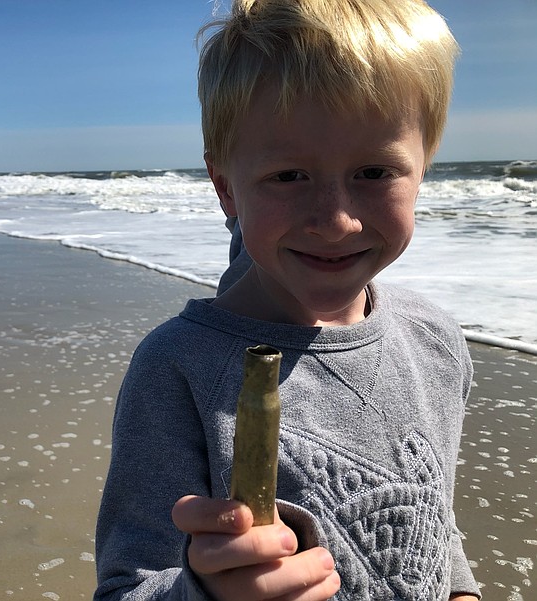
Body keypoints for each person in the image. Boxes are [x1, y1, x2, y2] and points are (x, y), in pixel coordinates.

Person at [95, 0, 480, 599]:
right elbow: (128, 586)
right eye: (288, 176)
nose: (335, 221)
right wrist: (210, 591)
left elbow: (434, 518)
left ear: (424, 168)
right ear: (226, 187)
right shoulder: (178, 371)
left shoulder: (436, 339)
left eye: (375, 172)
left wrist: (462, 592)